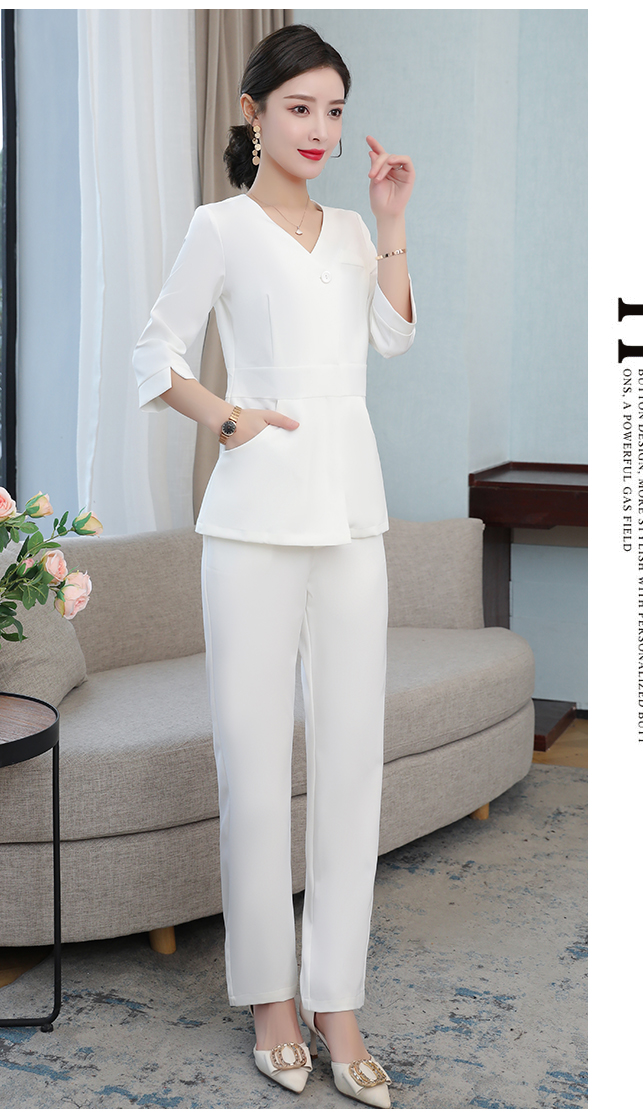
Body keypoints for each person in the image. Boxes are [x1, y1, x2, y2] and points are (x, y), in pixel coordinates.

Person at [132, 23, 415, 1109]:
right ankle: (270, 1001)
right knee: (252, 767)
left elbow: (393, 337)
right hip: (250, 524)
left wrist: (392, 223)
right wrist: (227, 418)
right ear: (253, 113)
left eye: (334, 111)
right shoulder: (220, 227)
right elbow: (152, 350)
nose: (320, 129)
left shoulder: (351, 228)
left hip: (351, 519)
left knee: (352, 766)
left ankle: (337, 1000)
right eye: (300, 107)